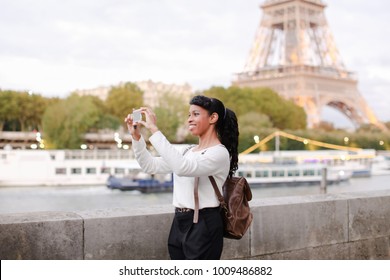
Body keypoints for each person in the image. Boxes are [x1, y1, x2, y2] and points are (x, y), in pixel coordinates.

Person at [124, 95, 239, 260]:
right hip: (179, 221)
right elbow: (150, 165)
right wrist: (136, 137)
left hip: (204, 223)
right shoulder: (187, 151)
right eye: (189, 115)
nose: (190, 119)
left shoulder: (219, 153)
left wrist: (154, 130)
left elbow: (183, 167)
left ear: (213, 118)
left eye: (196, 114)